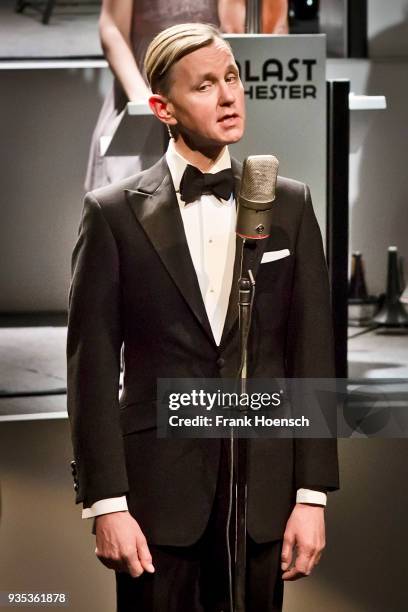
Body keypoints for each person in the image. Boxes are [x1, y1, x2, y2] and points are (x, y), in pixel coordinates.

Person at [68, 22, 339, 611]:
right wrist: (107, 504)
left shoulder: (289, 203)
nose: (229, 96)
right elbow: (90, 370)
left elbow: (311, 351)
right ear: (162, 107)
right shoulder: (113, 215)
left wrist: (312, 494)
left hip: (263, 494)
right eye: (206, 85)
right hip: (156, 501)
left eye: (234, 78)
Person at [85, 0, 289, 191]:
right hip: (146, 95)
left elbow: (250, 30)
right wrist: (142, 98)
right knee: (133, 206)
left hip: (211, 102)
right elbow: (112, 28)